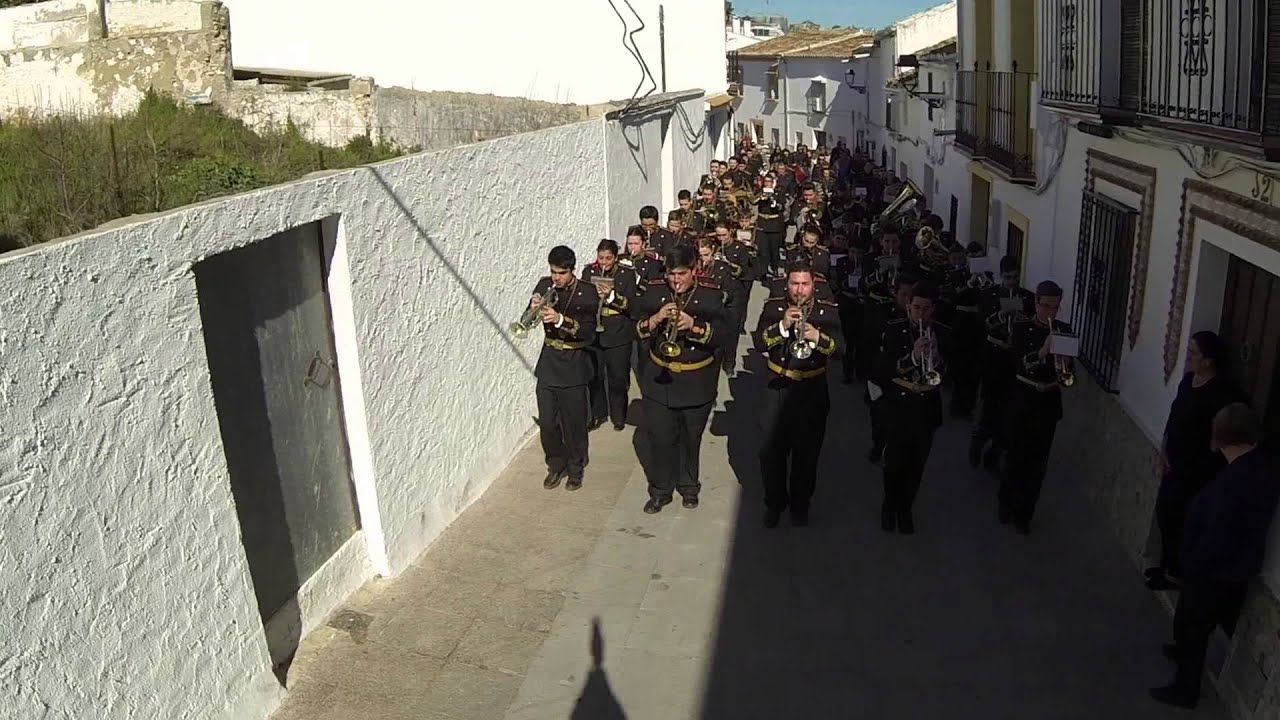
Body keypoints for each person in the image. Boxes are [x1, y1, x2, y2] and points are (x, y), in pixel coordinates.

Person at [1150, 403, 1278, 710]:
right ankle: (1182, 653)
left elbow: (1221, 530)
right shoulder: (1250, 467)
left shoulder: (1243, 479)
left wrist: (1193, 559)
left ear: (1223, 435)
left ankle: (1185, 689)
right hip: (1223, 566)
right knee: (1192, 624)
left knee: (1196, 626)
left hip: (1215, 569)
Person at [1146, 331, 1247, 590]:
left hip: (1200, 469)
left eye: (1193, 353)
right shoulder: (1188, 381)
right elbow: (1174, 415)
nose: (1188, 358)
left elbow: (1231, 426)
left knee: (1184, 518)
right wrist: (1163, 447)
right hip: (1176, 462)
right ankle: (1168, 565)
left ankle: (1178, 572)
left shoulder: (1223, 392)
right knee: (1166, 513)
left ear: (1209, 360)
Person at [633, 244, 726, 513]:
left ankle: (688, 486)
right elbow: (634, 327)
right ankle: (661, 490)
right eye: (672, 274)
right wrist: (654, 320)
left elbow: (723, 335)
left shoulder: (710, 295)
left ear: (694, 270)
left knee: (690, 438)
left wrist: (694, 326)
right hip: (659, 379)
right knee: (660, 438)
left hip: (697, 380)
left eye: (682, 274)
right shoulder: (654, 291)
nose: (676, 280)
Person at [754, 262, 843, 528]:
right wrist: (782, 326)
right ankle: (774, 503)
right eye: (795, 284)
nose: (799, 290)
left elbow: (841, 352)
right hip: (777, 385)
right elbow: (759, 343)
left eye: (804, 284)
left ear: (813, 285)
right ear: (787, 285)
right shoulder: (773, 308)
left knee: (807, 454)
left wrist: (817, 336)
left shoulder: (828, 311)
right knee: (770, 453)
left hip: (812, 389)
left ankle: (800, 504)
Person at [999, 281, 1073, 534]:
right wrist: (1044, 350)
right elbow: (1020, 364)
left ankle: (1025, 513)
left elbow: (1068, 374)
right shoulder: (1021, 328)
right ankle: (1006, 502)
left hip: (1048, 403)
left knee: (1037, 465)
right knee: (1015, 457)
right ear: (1036, 303)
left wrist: (1063, 363)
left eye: (1055, 307)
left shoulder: (1065, 330)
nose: (1050, 312)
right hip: (1022, 399)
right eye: (1046, 306)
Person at [877, 281, 949, 533]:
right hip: (899, 404)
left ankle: (905, 508)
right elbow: (885, 368)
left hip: (927, 405)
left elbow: (951, 374)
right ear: (908, 307)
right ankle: (890, 505)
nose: (920, 313)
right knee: (894, 461)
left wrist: (937, 361)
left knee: (917, 464)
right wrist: (914, 357)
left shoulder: (942, 333)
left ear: (932, 310)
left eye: (925, 309)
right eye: (916, 307)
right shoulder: (894, 330)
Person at [527, 246, 598, 490]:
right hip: (549, 364)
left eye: (561, 272)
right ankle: (556, 464)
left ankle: (576, 468)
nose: (556, 277)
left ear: (572, 270)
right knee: (547, 422)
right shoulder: (544, 285)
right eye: (553, 272)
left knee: (575, 422)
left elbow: (589, 332)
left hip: (574, 363)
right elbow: (528, 319)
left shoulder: (588, 292)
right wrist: (533, 307)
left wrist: (559, 319)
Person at [583, 239, 640, 432]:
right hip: (596, 331)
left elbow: (631, 305)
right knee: (595, 376)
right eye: (601, 258)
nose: (604, 262)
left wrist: (612, 296)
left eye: (608, 258)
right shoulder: (589, 272)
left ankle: (618, 415)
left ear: (616, 258)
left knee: (617, 377)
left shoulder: (627, 275)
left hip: (618, 331)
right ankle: (597, 414)